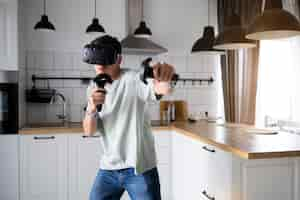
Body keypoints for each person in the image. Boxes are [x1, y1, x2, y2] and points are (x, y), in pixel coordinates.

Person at [82, 35, 175, 200]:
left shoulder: (133, 79)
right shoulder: (93, 87)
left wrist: (165, 78)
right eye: (97, 60)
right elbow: (89, 131)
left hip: (139, 168)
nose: (101, 65)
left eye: (106, 59)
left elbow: (162, 89)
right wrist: (91, 108)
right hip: (108, 168)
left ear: (119, 60)